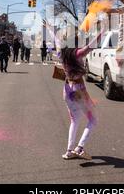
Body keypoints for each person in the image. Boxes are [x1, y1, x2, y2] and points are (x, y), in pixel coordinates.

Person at [45, 20, 106, 160]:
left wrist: (49, 28)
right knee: (93, 120)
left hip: (67, 89)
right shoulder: (78, 53)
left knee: (74, 120)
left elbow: (56, 39)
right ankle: (79, 148)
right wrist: (102, 31)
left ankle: (69, 151)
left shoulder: (62, 52)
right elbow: (92, 45)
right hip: (78, 90)